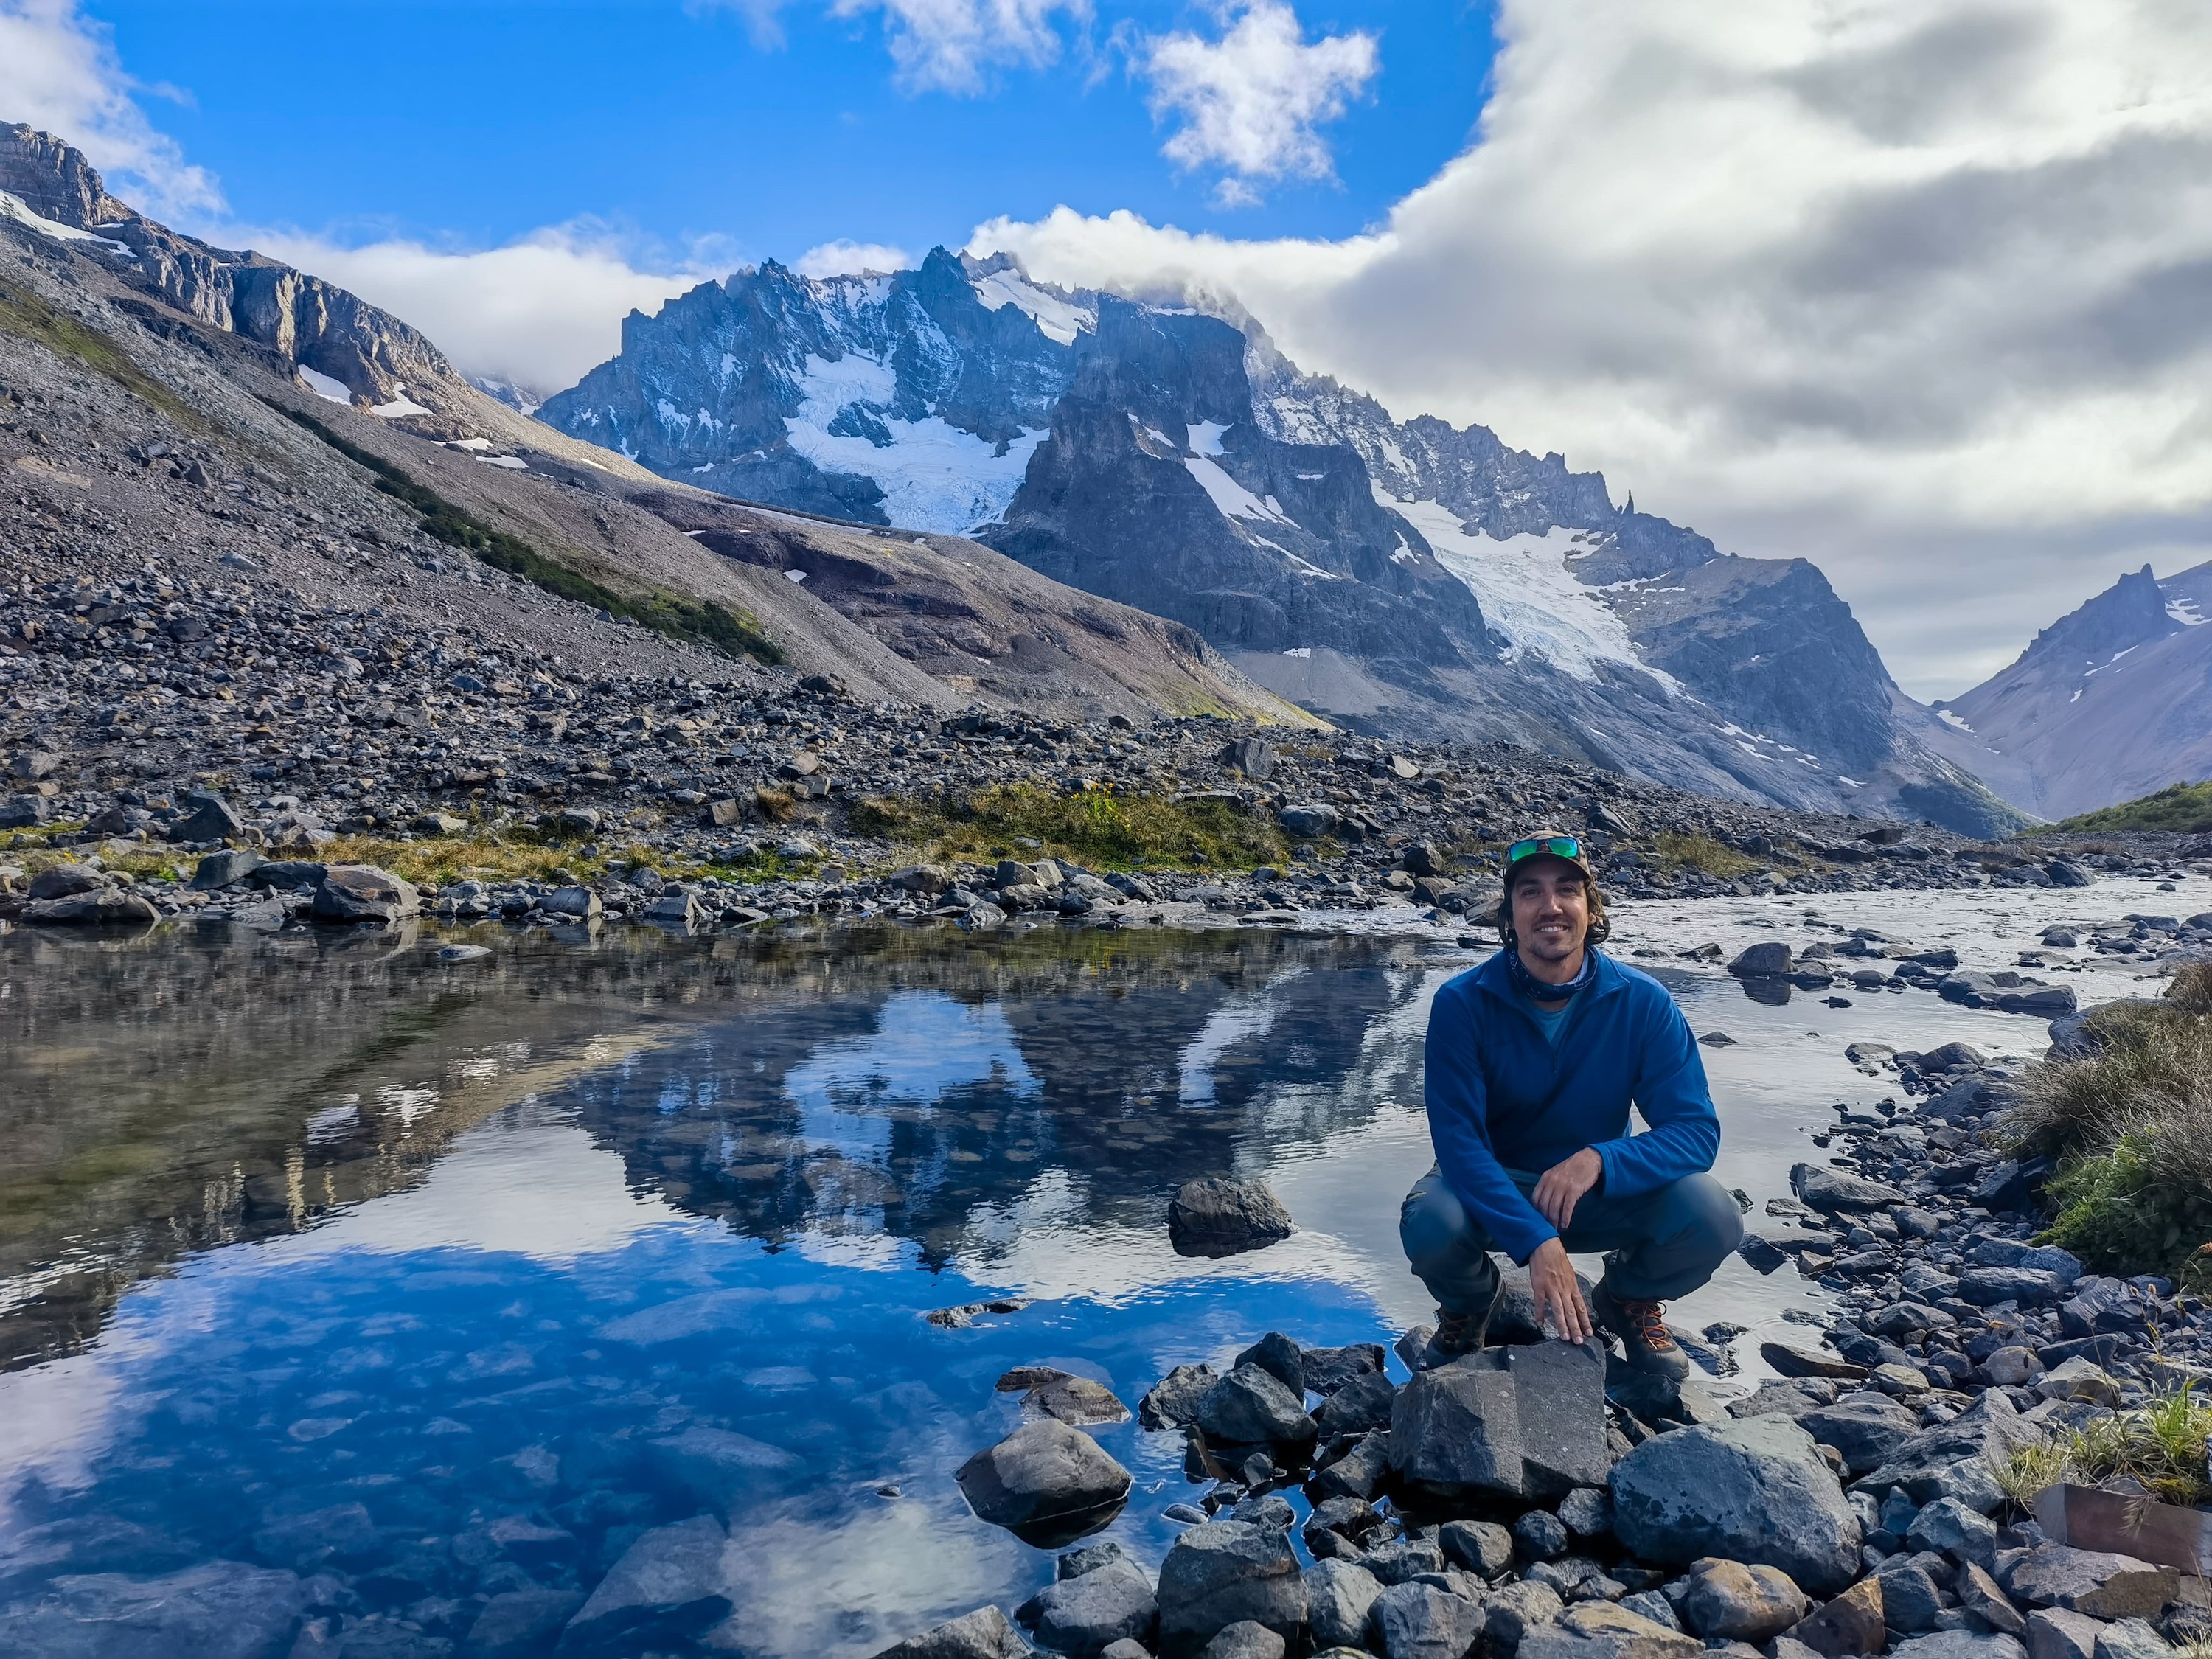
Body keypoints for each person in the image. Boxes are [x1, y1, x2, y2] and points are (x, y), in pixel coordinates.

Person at [1399, 832, 1742, 1375]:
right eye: (1530, 892)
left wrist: (1601, 1160)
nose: (1551, 906)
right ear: (1510, 914)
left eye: (1567, 890)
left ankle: (1626, 1299)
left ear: (1591, 907)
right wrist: (1536, 1241)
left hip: (1595, 1191)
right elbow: (1459, 1143)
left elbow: (1695, 1132)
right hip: (1494, 1180)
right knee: (1429, 1225)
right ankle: (1471, 1305)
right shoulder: (1462, 1004)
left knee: (1713, 1216)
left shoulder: (1643, 1002)